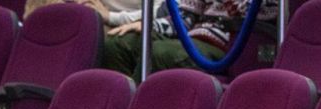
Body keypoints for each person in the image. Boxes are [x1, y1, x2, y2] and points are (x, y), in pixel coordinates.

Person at [102, 0, 251, 76]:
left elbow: (251, 13)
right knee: (118, 43)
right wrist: (149, 26)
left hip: (230, 45)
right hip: (191, 39)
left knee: (160, 52)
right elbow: (184, 18)